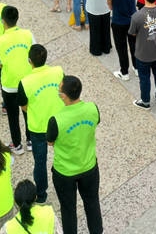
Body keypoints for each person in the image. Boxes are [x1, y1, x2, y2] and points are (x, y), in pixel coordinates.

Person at [46, 75, 102, 234]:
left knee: (68, 209)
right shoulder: (92, 108)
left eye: (59, 91)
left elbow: (50, 142)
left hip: (65, 172)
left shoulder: (56, 120)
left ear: (64, 96)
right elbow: (96, 122)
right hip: (89, 167)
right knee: (92, 202)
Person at [17, 45, 63, 204]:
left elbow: (23, 106)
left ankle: (42, 195)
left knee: (40, 162)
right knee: (63, 154)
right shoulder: (58, 71)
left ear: (29, 61)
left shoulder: (25, 82)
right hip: (59, 123)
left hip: (38, 128)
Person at [0, 6, 35, 154]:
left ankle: (17, 145)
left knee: (12, 115)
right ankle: (30, 140)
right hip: (27, 81)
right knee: (28, 111)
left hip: (9, 84)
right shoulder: (28, 34)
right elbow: (35, 52)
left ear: (3, 21)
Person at [129, 0, 156, 109]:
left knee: (144, 78)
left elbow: (132, 33)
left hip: (142, 52)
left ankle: (145, 101)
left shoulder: (137, 16)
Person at [106, 0, 140, 81]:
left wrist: (113, 8)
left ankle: (124, 72)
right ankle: (137, 67)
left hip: (118, 20)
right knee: (134, 45)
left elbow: (109, 3)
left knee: (121, 47)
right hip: (133, 18)